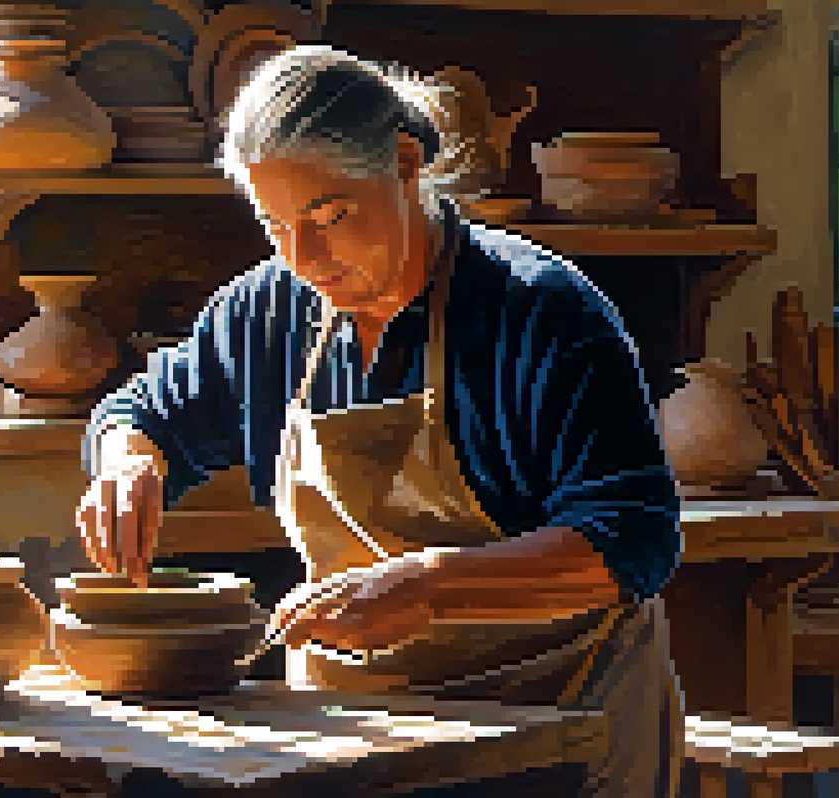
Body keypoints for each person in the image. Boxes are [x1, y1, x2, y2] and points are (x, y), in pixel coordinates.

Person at [76, 46, 683, 797]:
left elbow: (633, 541)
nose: (305, 257)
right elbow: (141, 412)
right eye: (275, 224)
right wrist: (127, 461)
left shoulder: (540, 310)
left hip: (557, 729)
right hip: (357, 734)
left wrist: (426, 588)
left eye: (330, 217)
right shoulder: (268, 309)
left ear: (402, 164)